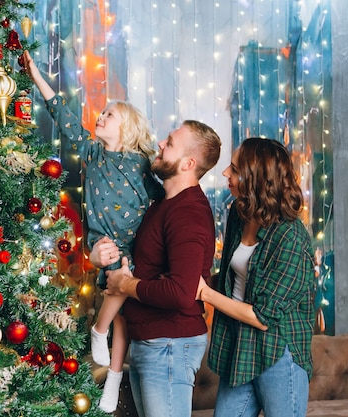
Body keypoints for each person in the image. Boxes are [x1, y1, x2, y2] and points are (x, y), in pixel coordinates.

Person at [22, 50, 165, 413]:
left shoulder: (141, 164)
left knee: (122, 313)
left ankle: (111, 367)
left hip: (131, 245)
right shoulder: (91, 153)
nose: (100, 117)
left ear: (127, 128)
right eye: (100, 114)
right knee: (118, 303)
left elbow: (164, 201)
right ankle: (108, 355)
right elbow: (61, 112)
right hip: (103, 242)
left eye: (109, 115)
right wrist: (37, 76)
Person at [94, 120, 222, 417]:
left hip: (170, 346)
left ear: (188, 163)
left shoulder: (188, 213)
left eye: (170, 143)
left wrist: (125, 285)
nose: (161, 144)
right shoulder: (163, 202)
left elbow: (180, 293)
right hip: (151, 342)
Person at [196, 137, 316, 417]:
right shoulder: (239, 214)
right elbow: (232, 278)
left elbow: (263, 317)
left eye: (235, 170)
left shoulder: (291, 237)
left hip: (278, 352)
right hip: (241, 347)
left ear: (257, 180)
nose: (226, 173)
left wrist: (205, 294)